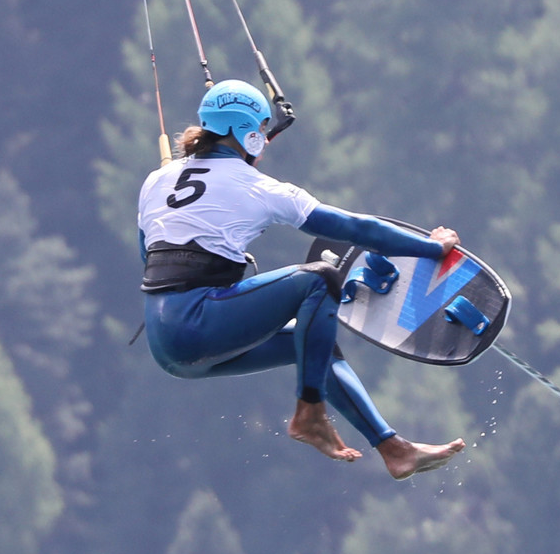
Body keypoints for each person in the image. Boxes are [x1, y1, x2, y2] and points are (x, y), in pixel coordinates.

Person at [137, 79, 466, 477]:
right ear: (249, 135)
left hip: (166, 345)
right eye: (261, 132)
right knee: (320, 279)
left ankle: (394, 448)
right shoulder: (258, 187)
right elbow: (356, 228)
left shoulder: (157, 181)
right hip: (200, 326)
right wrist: (432, 247)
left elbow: (151, 259)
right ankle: (309, 412)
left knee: (313, 341)